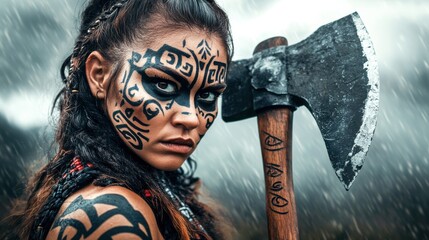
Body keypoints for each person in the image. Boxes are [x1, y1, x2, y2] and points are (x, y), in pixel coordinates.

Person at [8, 0, 233, 239]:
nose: (191, 118)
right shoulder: (111, 217)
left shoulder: (154, 186)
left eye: (207, 95)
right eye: (163, 84)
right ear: (99, 76)